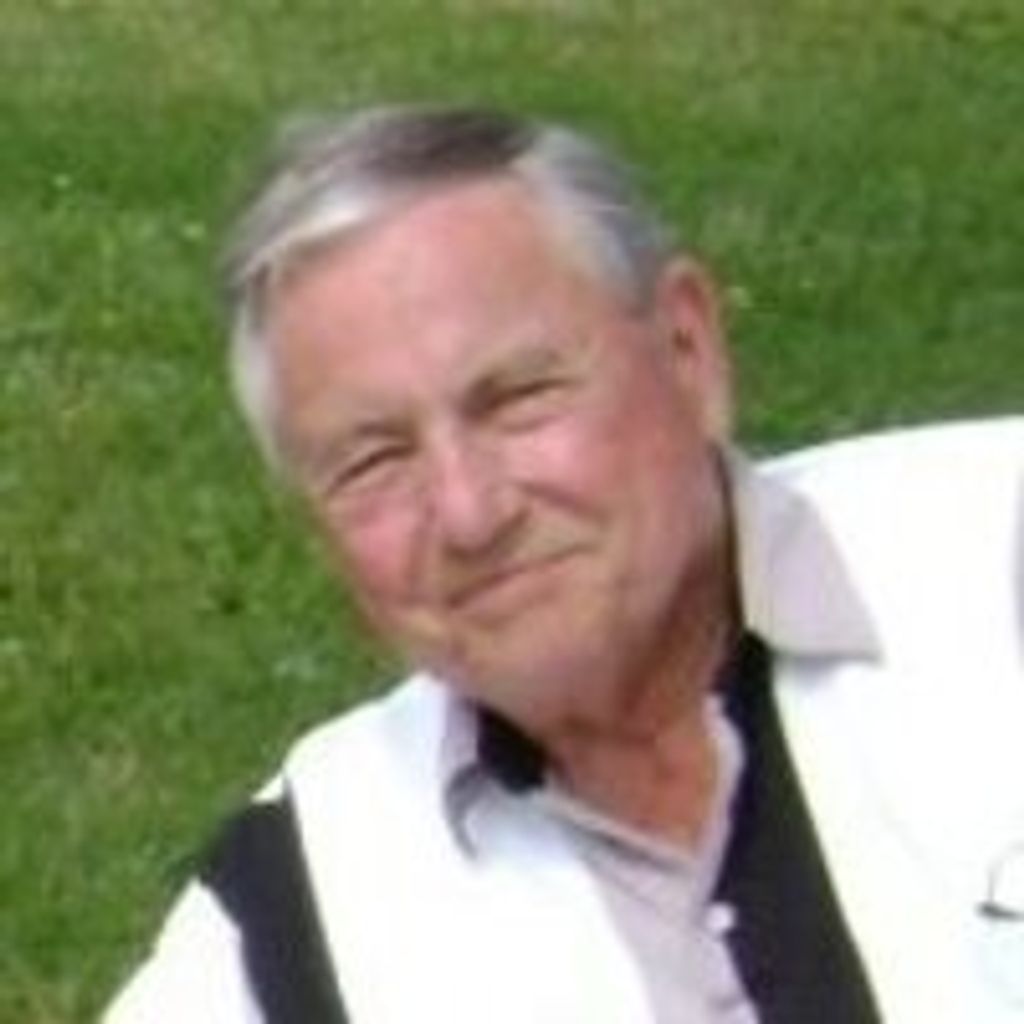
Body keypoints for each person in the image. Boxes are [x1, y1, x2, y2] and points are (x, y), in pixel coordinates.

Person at [105, 105, 1023, 1024]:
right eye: (375, 459)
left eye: (517, 399)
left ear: (688, 350)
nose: (470, 515)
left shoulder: (990, 558)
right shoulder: (298, 904)